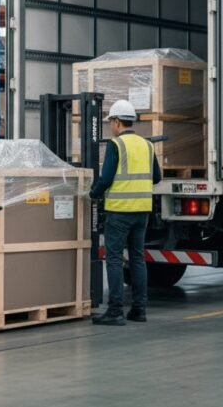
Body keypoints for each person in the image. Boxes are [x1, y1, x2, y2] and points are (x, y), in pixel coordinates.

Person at [89, 99, 162, 326]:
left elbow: (107, 177)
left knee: (113, 259)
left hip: (120, 211)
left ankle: (115, 310)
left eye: (111, 121)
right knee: (137, 258)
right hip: (142, 212)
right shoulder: (147, 145)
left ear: (117, 121)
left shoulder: (116, 145)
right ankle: (139, 309)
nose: (111, 125)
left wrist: (93, 194)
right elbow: (157, 177)